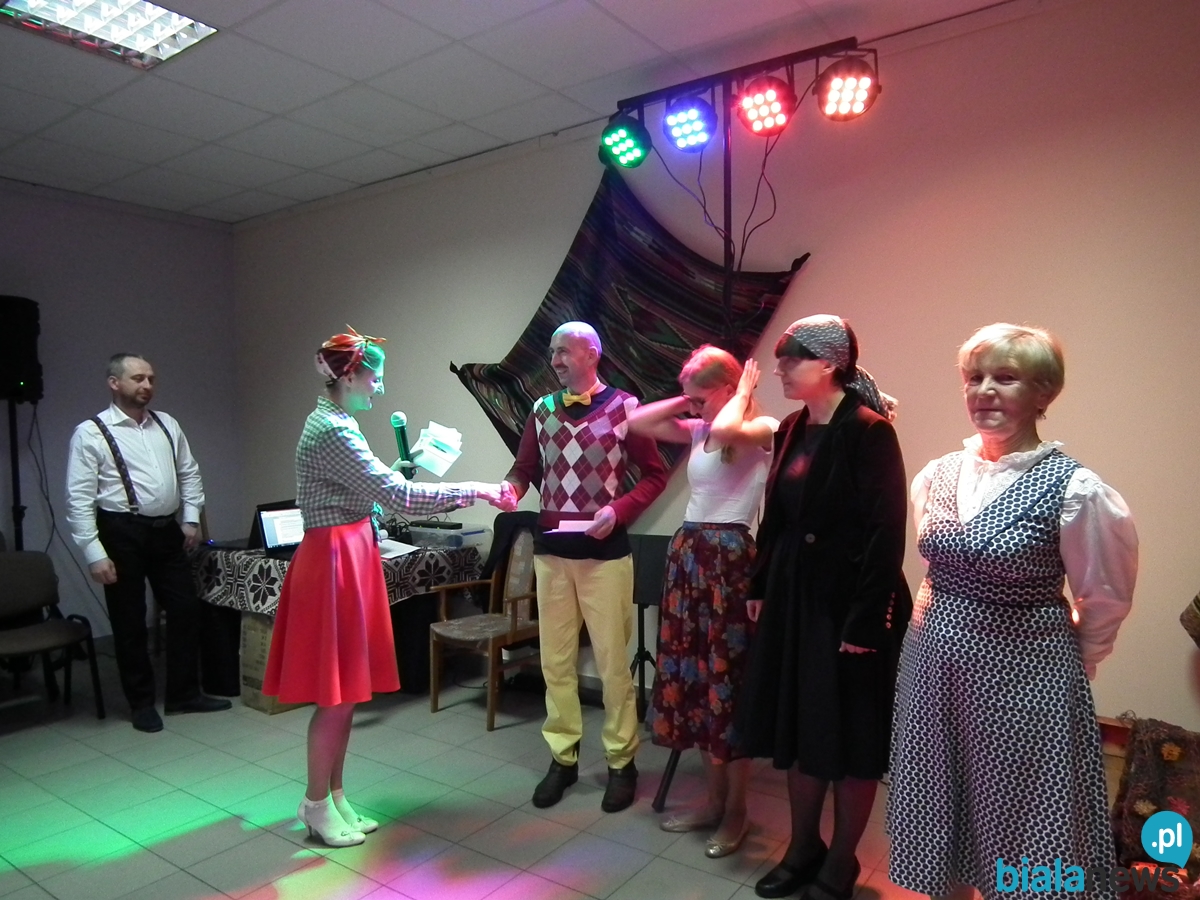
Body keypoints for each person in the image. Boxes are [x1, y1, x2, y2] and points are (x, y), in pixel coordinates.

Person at [887, 323, 1137, 900]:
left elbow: (1104, 597)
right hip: (931, 669)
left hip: (1024, 679)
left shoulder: (1077, 490)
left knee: (1022, 813)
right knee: (938, 794)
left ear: (1044, 392)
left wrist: (1074, 666)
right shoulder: (938, 473)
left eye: (1006, 377)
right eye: (974, 378)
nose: (985, 391)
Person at [262, 328, 513, 848]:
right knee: (335, 696)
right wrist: (481, 490)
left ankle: (334, 796)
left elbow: (365, 495)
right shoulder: (332, 430)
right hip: (333, 561)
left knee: (347, 692)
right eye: (375, 377)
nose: (379, 387)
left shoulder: (338, 423)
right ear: (349, 375)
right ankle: (314, 802)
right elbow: (401, 498)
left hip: (347, 553)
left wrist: (390, 478)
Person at [736, 315, 910, 900]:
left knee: (850, 736)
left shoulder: (868, 431)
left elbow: (886, 532)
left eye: (792, 358)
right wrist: (760, 584)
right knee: (802, 727)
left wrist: (866, 620)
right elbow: (776, 517)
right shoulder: (792, 427)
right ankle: (803, 847)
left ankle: (840, 862)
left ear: (830, 364)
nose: (780, 369)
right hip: (795, 598)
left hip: (848, 605)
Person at [502, 321, 669, 813]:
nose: (554, 361)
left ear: (592, 354)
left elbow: (654, 475)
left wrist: (619, 511)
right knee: (555, 662)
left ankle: (622, 762)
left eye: (564, 352)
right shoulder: (541, 409)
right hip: (551, 555)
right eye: (552, 352)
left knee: (614, 665)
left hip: (605, 558)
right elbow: (524, 469)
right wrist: (510, 489)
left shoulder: (626, 407)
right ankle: (563, 757)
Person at [627, 346, 778, 858]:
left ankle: (736, 811)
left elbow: (732, 429)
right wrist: (691, 398)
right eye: (688, 399)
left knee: (725, 685)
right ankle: (714, 803)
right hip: (689, 555)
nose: (692, 407)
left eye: (700, 397)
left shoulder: (761, 429)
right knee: (696, 681)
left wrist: (740, 395)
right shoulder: (700, 430)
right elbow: (638, 422)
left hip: (728, 559)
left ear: (730, 389)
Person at [66, 353, 231, 734]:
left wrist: (190, 519)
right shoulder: (91, 433)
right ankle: (141, 702)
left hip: (165, 531)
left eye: (151, 379)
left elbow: (189, 473)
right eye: (138, 378)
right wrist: (94, 553)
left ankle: (183, 694)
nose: (147, 386)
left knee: (185, 609)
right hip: (120, 531)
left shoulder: (167, 424)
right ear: (114, 383)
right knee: (129, 620)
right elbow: (79, 498)